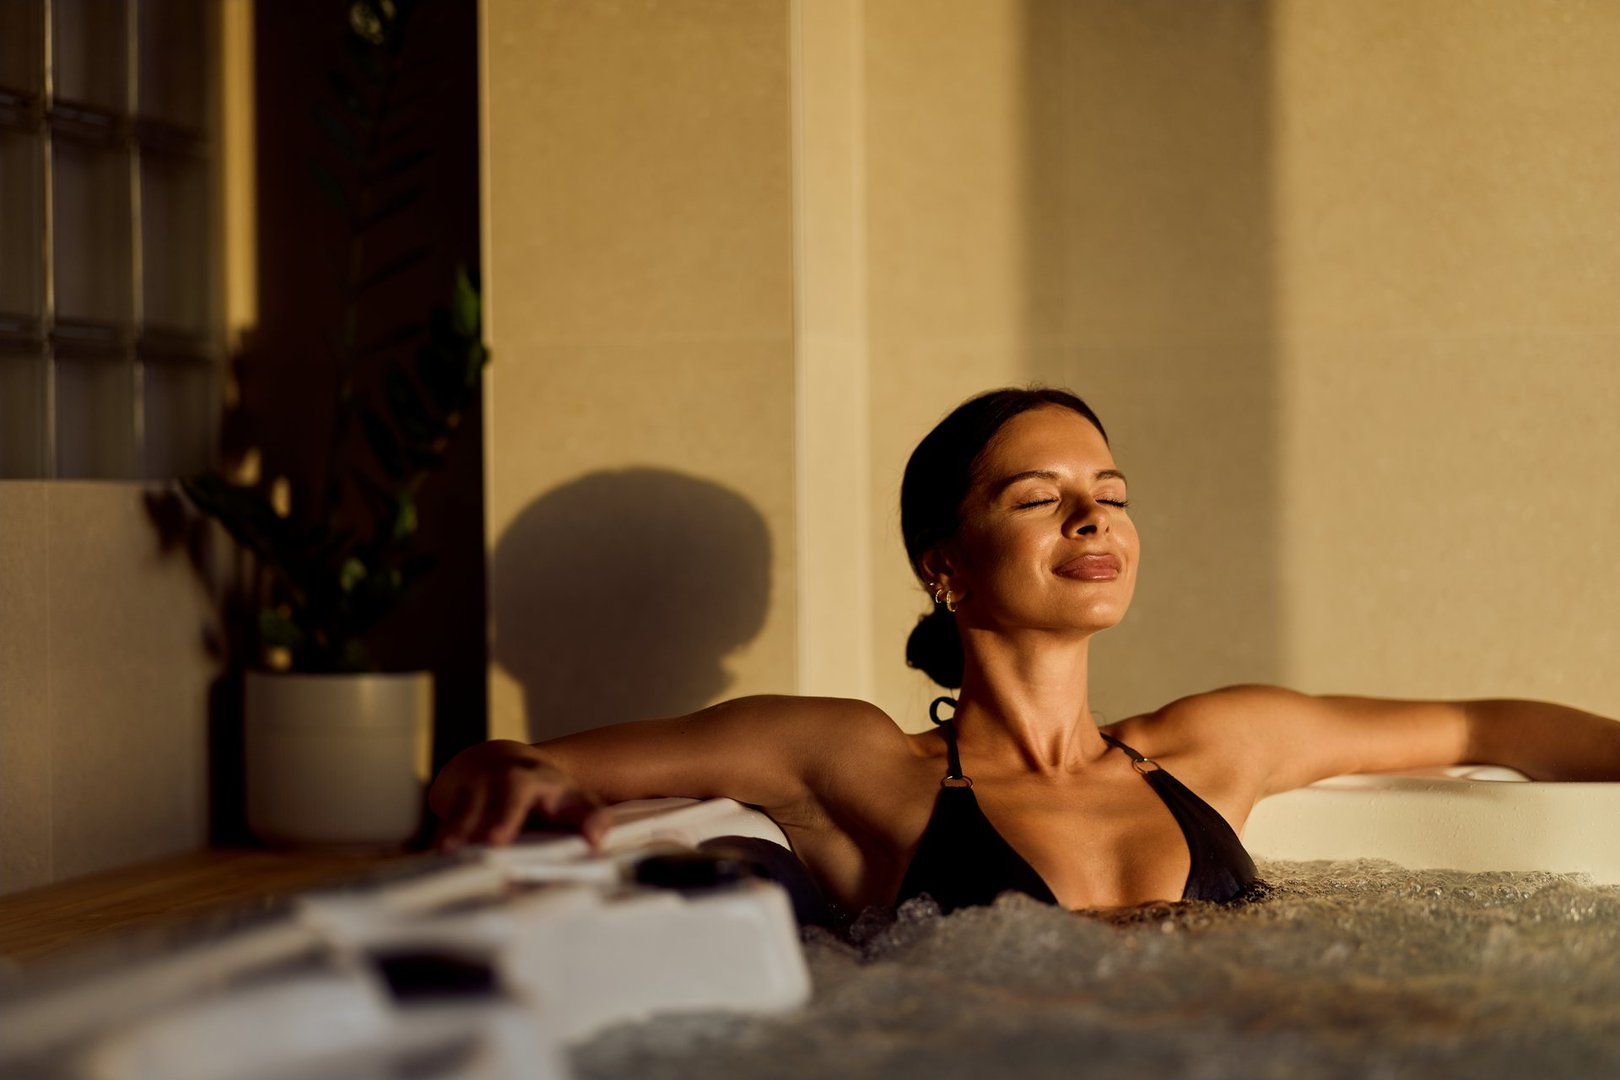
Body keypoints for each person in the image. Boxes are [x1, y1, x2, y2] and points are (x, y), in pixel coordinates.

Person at [430, 387, 1620, 916]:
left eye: (1109, 491)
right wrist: (520, 777)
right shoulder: (854, 762)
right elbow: (520, 761)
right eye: (1039, 498)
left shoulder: (1218, 743)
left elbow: (1488, 732)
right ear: (943, 562)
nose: (1094, 519)